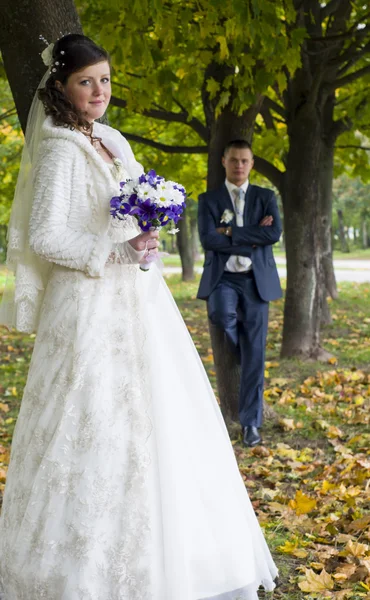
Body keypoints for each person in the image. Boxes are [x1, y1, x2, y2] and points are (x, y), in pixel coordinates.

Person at [0, 35, 278, 600]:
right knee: (94, 419)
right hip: (86, 306)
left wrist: (142, 239)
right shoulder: (58, 149)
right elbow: (47, 236)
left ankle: (172, 557)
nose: (98, 91)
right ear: (60, 87)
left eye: (104, 79)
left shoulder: (111, 139)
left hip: (138, 302)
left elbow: (120, 214)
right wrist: (113, 251)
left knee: (158, 420)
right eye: (85, 82)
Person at [197, 141, 282, 448]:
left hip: (256, 281)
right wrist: (251, 238)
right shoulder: (209, 199)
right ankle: (241, 348)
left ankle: (251, 424)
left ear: (251, 163)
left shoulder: (265, 197)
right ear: (224, 161)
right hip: (224, 280)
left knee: (256, 355)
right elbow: (208, 240)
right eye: (234, 160)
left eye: (244, 161)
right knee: (221, 315)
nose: (239, 166)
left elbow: (273, 234)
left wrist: (231, 233)